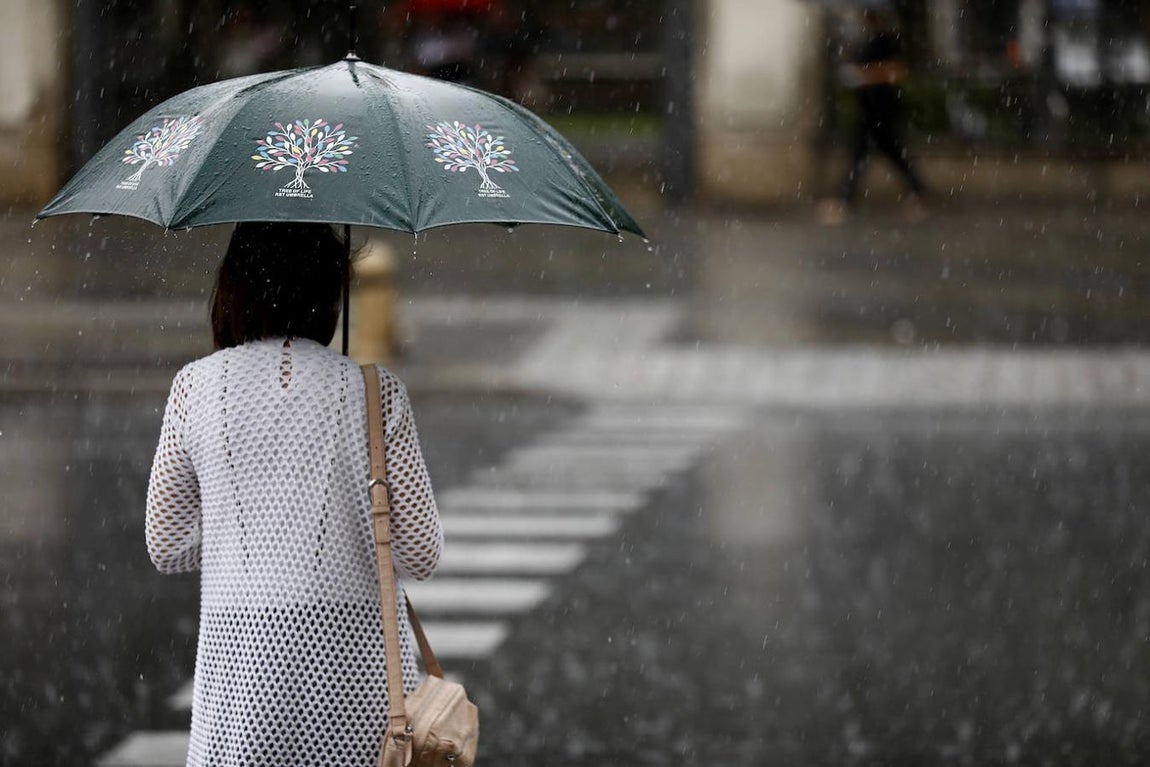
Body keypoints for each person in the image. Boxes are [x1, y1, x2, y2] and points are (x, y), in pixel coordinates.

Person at [145, 222, 443, 767]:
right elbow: (419, 554)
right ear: (329, 295)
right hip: (357, 677)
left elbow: (167, 546)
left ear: (232, 290)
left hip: (241, 675)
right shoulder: (377, 393)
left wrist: (247, 530)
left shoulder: (195, 387)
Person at [820, 9, 929, 225]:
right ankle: (916, 193)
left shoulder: (887, 42)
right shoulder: (868, 41)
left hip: (881, 109)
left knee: (873, 155)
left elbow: (895, 71)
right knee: (880, 155)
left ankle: (844, 200)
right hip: (870, 109)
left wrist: (863, 76)